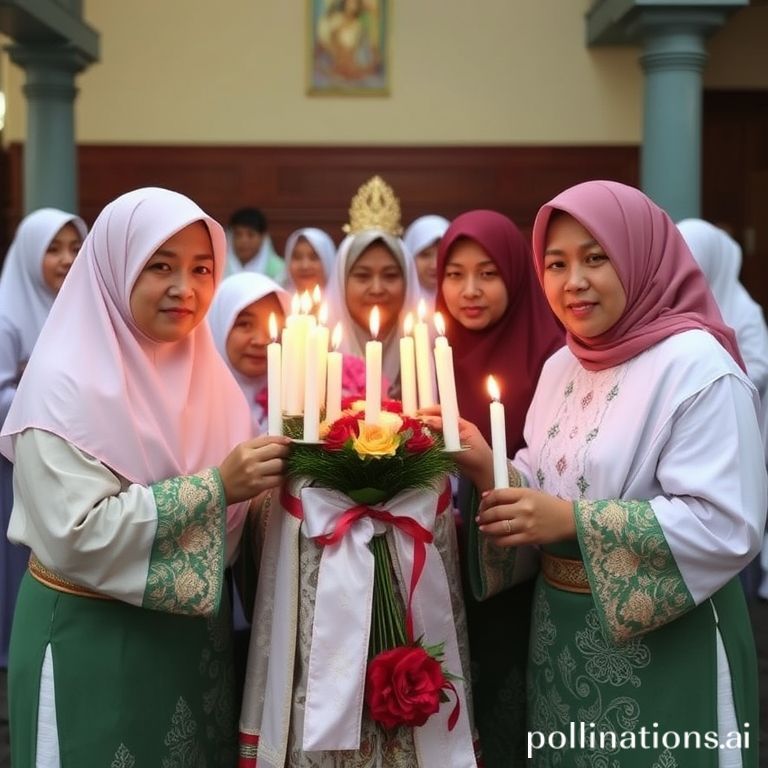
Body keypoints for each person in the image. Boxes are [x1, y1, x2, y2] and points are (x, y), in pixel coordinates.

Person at [447, 181, 765, 767]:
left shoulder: (697, 367)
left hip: (670, 646)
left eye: (596, 258)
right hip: (561, 640)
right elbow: (546, 483)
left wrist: (570, 521)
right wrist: (489, 467)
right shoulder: (560, 366)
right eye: (556, 264)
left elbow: (725, 523)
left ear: (638, 256)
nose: (574, 281)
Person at [0, 187, 291, 766]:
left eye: (202, 268)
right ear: (116, 265)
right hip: (92, 638)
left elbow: (242, 521)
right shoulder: (62, 384)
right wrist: (218, 488)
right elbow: (76, 532)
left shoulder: (210, 379)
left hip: (193, 650)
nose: (185, 288)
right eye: (161, 266)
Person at [435, 209, 563, 768]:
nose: (469, 290)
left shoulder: (554, 360)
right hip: (440, 568)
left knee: (507, 704)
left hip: (524, 571)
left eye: (487, 273)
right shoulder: (430, 356)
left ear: (515, 273)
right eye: (455, 273)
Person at [0, 208, 87, 672]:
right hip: (14, 462)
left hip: (69, 456)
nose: (67, 259)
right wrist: (48, 399)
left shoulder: (82, 311)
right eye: (53, 249)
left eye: (75, 247)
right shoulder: (6, 315)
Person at [677, 219, 768, 601]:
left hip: (733, 433)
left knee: (734, 522)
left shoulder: (743, 310)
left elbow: (758, 368)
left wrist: (711, 373)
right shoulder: (678, 305)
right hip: (695, 437)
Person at [326, 176, 421, 400]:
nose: (377, 288)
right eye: (362, 276)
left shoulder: (431, 350)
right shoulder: (314, 353)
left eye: (390, 275)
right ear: (341, 282)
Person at [225, 206, 286, 282]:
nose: (243, 241)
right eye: (238, 234)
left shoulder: (279, 271)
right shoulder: (220, 267)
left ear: (263, 237)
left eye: (251, 235)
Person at [404, 214, 450, 307]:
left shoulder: (466, 302)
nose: (435, 265)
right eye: (425, 255)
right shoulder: (396, 303)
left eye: (442, 255)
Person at [283, 227, 336, 296]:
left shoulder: (341, 299)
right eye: (297, 257)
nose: (305, 266)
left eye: (314, 257)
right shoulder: (277, 298)